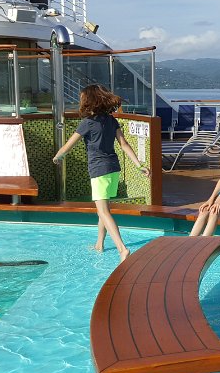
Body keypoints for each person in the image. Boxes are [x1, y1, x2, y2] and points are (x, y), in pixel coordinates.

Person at [52, 84, 150, 263]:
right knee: (103, 210)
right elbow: (124, 144)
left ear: (88, 101)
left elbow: (69, 145)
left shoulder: (87, 123)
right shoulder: (111, 120)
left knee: (103, 211)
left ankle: (122, 249)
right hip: (113, 169)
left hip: (99, 170)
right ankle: (100, 244)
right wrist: (139, 166)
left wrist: (58, 156)